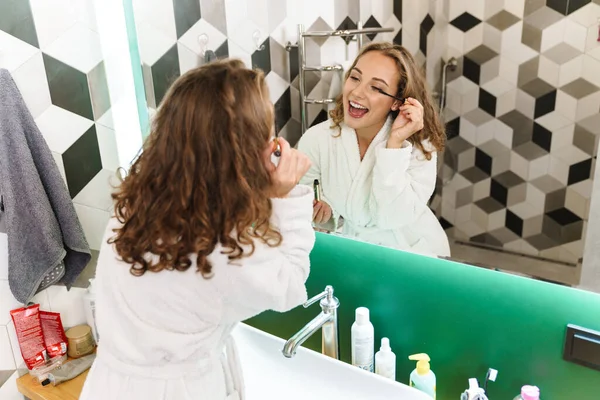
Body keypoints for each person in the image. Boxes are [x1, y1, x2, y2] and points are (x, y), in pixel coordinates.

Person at [80, 59, 314, 400]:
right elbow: (289, 286)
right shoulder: (219, 245)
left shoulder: (138, 205)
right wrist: (284, 196)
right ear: (244, 153)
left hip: (111, 385)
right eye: (267, 129)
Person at [297, 42, 450, 257]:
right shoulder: (317, 140)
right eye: (355, 78)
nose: (357, 93)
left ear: (398, 102)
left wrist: (394, 145)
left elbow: (390, 216)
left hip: (410, 252)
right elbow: (307, 204)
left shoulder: (419, 147)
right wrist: (325, 211)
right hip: (353, 251)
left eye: (377, 88)